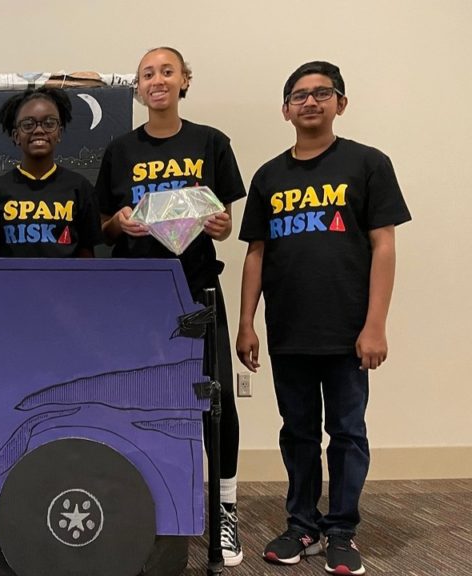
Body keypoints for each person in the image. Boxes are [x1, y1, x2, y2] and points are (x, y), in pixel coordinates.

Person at [237, 61, 411, 576]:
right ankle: (302, 525)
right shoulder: (269, 175)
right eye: (299, 95)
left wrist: (375, 324)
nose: (310, 102)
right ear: (286, 109)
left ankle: (342, 531)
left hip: (348, 331)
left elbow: (384, 246)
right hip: (288, 330)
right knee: (297, 433)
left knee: (348, 432)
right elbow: (256, 253)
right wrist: (247, 321)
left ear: (341, 102)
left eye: (322, 93)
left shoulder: (367, 164)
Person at [94, 46, 248, 567]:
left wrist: (222, 226)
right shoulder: (118, 149)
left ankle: (224, 509)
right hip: (134, 295)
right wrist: (119, 222)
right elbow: (103, 225)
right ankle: (137, 500)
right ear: (137, 89)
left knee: (216, 397)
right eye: (147, 74)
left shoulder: (211, 142)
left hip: (197, 288)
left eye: (167, 71)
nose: (157, 80)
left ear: (185, 80)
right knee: (134, 397)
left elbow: (223, 220)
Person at [0, 86, 101, 258]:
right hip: (10, 285)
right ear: (16, 136)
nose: (39, 130)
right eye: (28, 124)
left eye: (49, 123)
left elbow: (87, 261)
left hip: (64, 285)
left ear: (59, 133)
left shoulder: (80, 188)